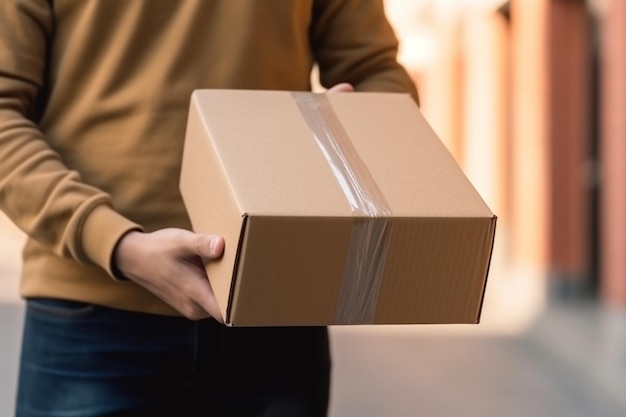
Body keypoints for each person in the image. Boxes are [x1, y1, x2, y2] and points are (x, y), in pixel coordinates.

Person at [0, 1, 418, 416]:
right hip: (91, 316)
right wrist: (115, 241)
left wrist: (362, 121)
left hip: (274, 299)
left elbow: (375, 72)